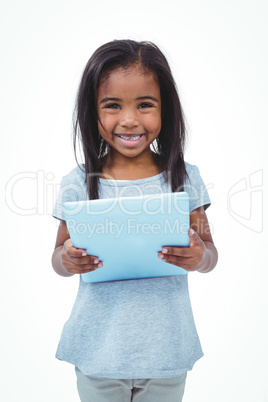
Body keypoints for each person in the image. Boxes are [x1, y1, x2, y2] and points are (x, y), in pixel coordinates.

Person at [51, 39, 218, 402]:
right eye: (112, 106)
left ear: (166, 110)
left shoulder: (185, 178)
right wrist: (67, 258)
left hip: (167, 353)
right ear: (92, 113)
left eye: (145, 105)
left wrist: (199, 256)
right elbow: (57, 258)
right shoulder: (78, 183)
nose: (129, 119)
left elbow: (211, 253)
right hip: (99, 352)